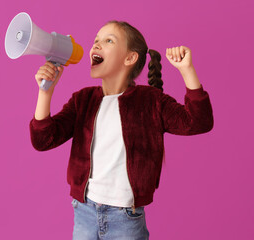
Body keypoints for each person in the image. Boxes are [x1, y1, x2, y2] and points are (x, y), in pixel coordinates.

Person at [29, 20, 214, 240]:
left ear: (130, 57)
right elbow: (43, 140)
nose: (96, 45)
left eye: (108, 40)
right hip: (84, 212)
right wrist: (45, 93)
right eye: (96, 40)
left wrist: (187, 70)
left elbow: (198, 121)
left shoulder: (151, 101)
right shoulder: (82, 100)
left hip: (125, 219)